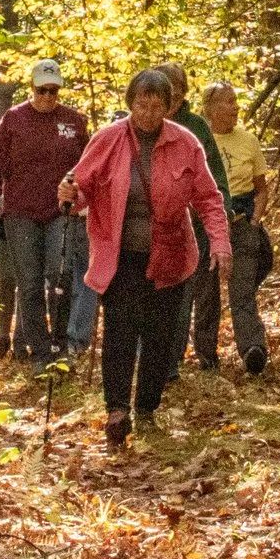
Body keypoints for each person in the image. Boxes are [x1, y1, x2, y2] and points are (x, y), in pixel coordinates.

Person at [60, 69, 230, 446]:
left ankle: (147, 408)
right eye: (141, 104)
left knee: (160, 336)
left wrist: (220, 242)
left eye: (157, 106)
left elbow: (208, 198)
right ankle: (117, 410)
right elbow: (81, 186)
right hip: (118, 255)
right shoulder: (108, 140)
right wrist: (70, 193)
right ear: (129, 103)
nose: (149, 113)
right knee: (120, 330)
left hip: (170, 255)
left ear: (169, 106)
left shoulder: (186, 143)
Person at [0, 59, 90, 361]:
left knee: (61, 276)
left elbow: (89, 165)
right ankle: (39, 351)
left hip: (60, 212)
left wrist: (86, 197)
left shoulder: (73, 122)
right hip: (21, 213)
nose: (47, 97)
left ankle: (60, 345)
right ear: (32, 89)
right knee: (28, 283)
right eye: (42, 90)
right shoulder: (14, 119)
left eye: (53, 91)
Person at [158, 63, 231, 370]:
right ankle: (168, 359)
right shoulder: (144, 124)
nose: (172, 94)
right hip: (160, 228)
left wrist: (219, 220)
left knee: (204, 291)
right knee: (169, 295)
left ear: (184, 92)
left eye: (177, 88)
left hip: (198, 225)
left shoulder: (196, 127)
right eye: (166, 87)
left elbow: (216, 179)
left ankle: (206, 354)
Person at [203, 82, 276, 375]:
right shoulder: (201, 140)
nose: (235, 107)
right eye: (228, 102)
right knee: (206, 293)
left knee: (242, 290)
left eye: (235, 102)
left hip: (242, 223)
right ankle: (206, 357)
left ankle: (252, 350)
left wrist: (255, 220)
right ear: (211, 108)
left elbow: (261, 189)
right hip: (208, 225)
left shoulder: (249, 140)